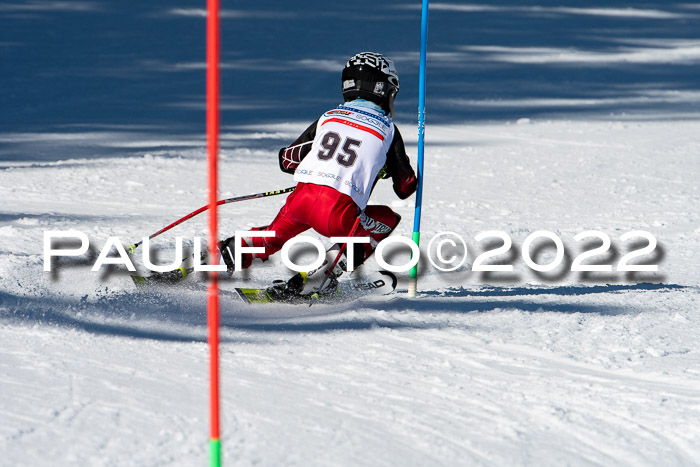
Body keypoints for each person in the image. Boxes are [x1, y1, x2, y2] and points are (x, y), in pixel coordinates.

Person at [219, 52, 417, 295]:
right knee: (386, 219)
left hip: (300, 201)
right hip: (338, 213)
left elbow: (288, 160)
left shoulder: (329, 117)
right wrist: (386, 166)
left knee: (275, 237)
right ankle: (324, 274)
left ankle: (235, 247)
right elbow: (405, 187)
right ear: (384, 89)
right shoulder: (388, 130)